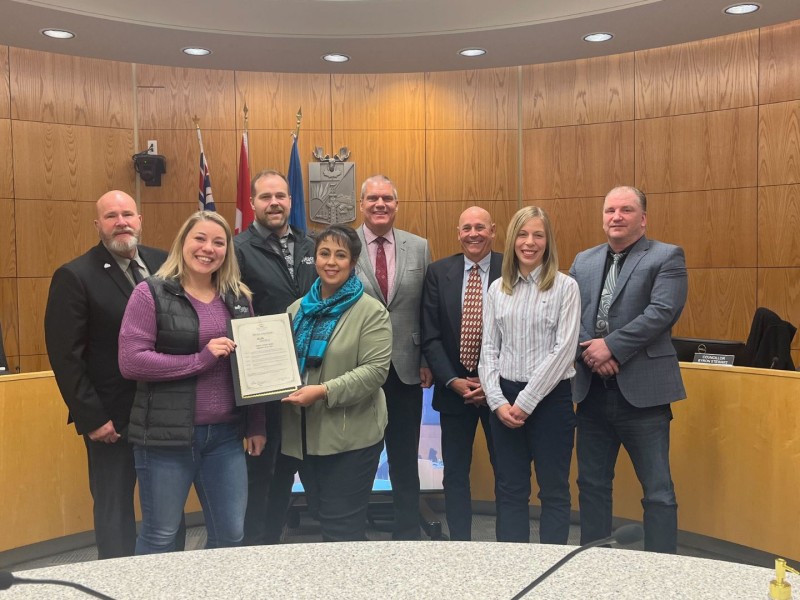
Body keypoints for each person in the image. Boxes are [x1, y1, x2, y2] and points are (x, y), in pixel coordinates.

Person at [118, 211, 266, 555]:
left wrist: (257, 423)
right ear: (183, 243)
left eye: (218, 242)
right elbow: (132, 361)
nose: (208, 248)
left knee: (230, 536)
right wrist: (201, 360)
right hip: (165, 438)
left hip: (226, 437)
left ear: (227, 250)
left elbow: (252, 366)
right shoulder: (150, 293)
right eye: (199, 238)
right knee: (161, 535)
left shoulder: (238, 297)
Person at [44, 190, 168, 559]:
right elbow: (66, 356)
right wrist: (93, 418)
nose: (121, 222)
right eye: (111, 216)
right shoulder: (74, 275)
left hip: (165, 410)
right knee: (114, 511)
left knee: (165, 505)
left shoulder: (164, 264)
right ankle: (115, 584)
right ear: (98, 225)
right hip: (111, 419)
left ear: (140, 219)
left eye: (127, 214)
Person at [570, 186, 687, 554]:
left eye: (625, 210)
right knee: (591, 485)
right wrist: (593, 352)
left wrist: (611, 346)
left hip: (644, 396)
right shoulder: (583, 261)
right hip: (592, 393)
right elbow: (567, 313)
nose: (616, 217)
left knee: (657, 491)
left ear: (643, 218)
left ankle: (661, 568)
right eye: (609, 210)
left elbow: (662, 312)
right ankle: (593, 563)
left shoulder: (666, 256)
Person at [282, 225, 392, 541]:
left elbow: (374, 372)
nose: (331, 262)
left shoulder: (371, 312)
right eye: (325, 253)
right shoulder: (296, 310)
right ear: (314, 259)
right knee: (324, 515)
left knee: (341, 527)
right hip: (305, 438)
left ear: (353, 262)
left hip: (351, 438)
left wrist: (324, 391)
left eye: (341, 255)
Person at [478, 206, 580, 544]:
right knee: (509, 490)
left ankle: (552, 570)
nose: (529, 242)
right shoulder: (497, 289)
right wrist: (496, 400)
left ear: (548, 241)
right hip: (504, 402)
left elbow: (563, 351)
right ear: (511, 241)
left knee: (553, 490)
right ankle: (512, 568)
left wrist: (525, 402)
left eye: (538, 234)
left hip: (551, 401)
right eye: (522, 234)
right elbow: (489, 351)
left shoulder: (566, 287)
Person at [235, 169, 316, 545]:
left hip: (310, 373)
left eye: (281, 196)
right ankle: (256, 548)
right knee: (261, 471)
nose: (274, 203)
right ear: (252, 204)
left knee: (290, 467)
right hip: (263, 379)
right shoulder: (237, 249)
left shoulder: (311, 245)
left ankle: (276, 545)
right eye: (265, 197)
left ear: (290, 201)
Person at [355, 174, 432, 540]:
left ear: (397, 205)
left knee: (404, 458)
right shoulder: (342, 244)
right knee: (358, 457)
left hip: (405, 369)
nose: (380, 204)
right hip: (357, 370)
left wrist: (427, 360)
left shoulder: (419, 246)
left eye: (387, 198)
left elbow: (426, 309)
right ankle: (352, 532)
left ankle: (407, 532)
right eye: (372, 199)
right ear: (361, 205)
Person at [421, 206, 501, 541]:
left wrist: (492, 383)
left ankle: (511, 545)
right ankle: (461, 545)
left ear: (493, 231)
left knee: (509, 472)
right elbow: (430, 333)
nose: (473, 234)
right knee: (454, 473)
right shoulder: (439, 272)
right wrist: (452, 380)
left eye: (480, 227)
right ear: (458, 233)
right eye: (466, 228)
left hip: (502, 391)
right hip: (455, 390)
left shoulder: (509, 268)